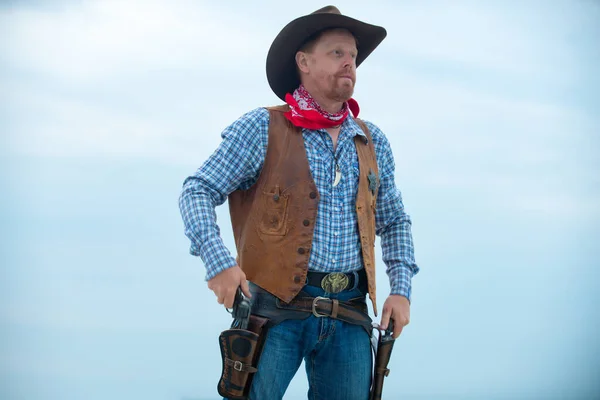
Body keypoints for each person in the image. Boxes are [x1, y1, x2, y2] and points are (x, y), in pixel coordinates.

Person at [178, 6, 419, 400]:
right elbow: (197, 189)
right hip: (274, 312)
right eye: (337, 53)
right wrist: (218, 263)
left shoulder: (372, 140)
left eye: (353, 57)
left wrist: (401, 290)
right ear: (304, 62)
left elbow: (394, 221)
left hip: (351, 312)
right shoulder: (262, 127)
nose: (349, 64)